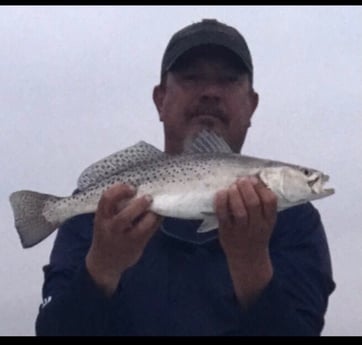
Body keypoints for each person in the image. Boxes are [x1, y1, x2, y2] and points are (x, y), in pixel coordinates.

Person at [35, 19, 335, 336]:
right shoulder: (103, 210)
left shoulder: (296, 222)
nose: (209, 93)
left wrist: (251, 264)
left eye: (229, 80)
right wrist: (102, 267)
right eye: (191, 78)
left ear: (252, 105)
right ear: (160, 99)